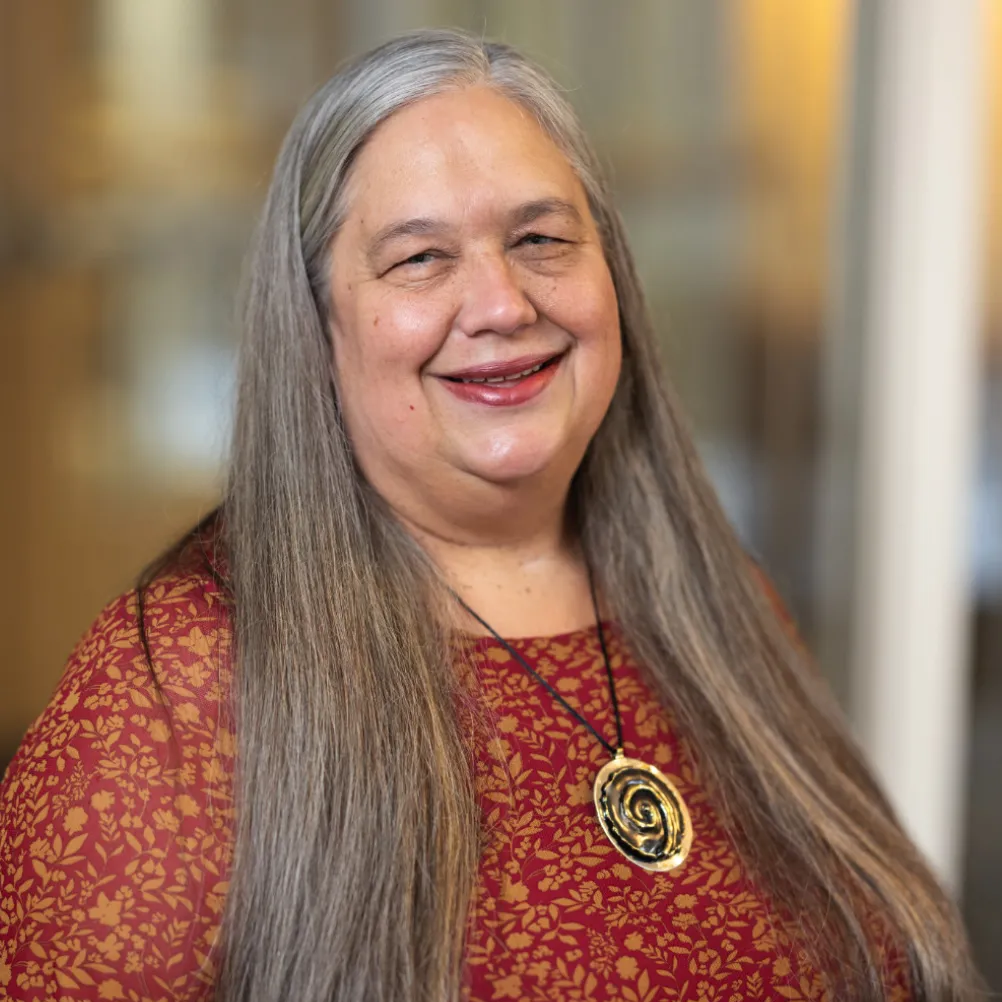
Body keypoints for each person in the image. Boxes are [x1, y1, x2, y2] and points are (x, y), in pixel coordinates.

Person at [0, 27, 983, 1002]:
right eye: (421, 258)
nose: (503, 302)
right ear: (316, 324)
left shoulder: (719, 605)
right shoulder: (182, 675)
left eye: (541, 239)